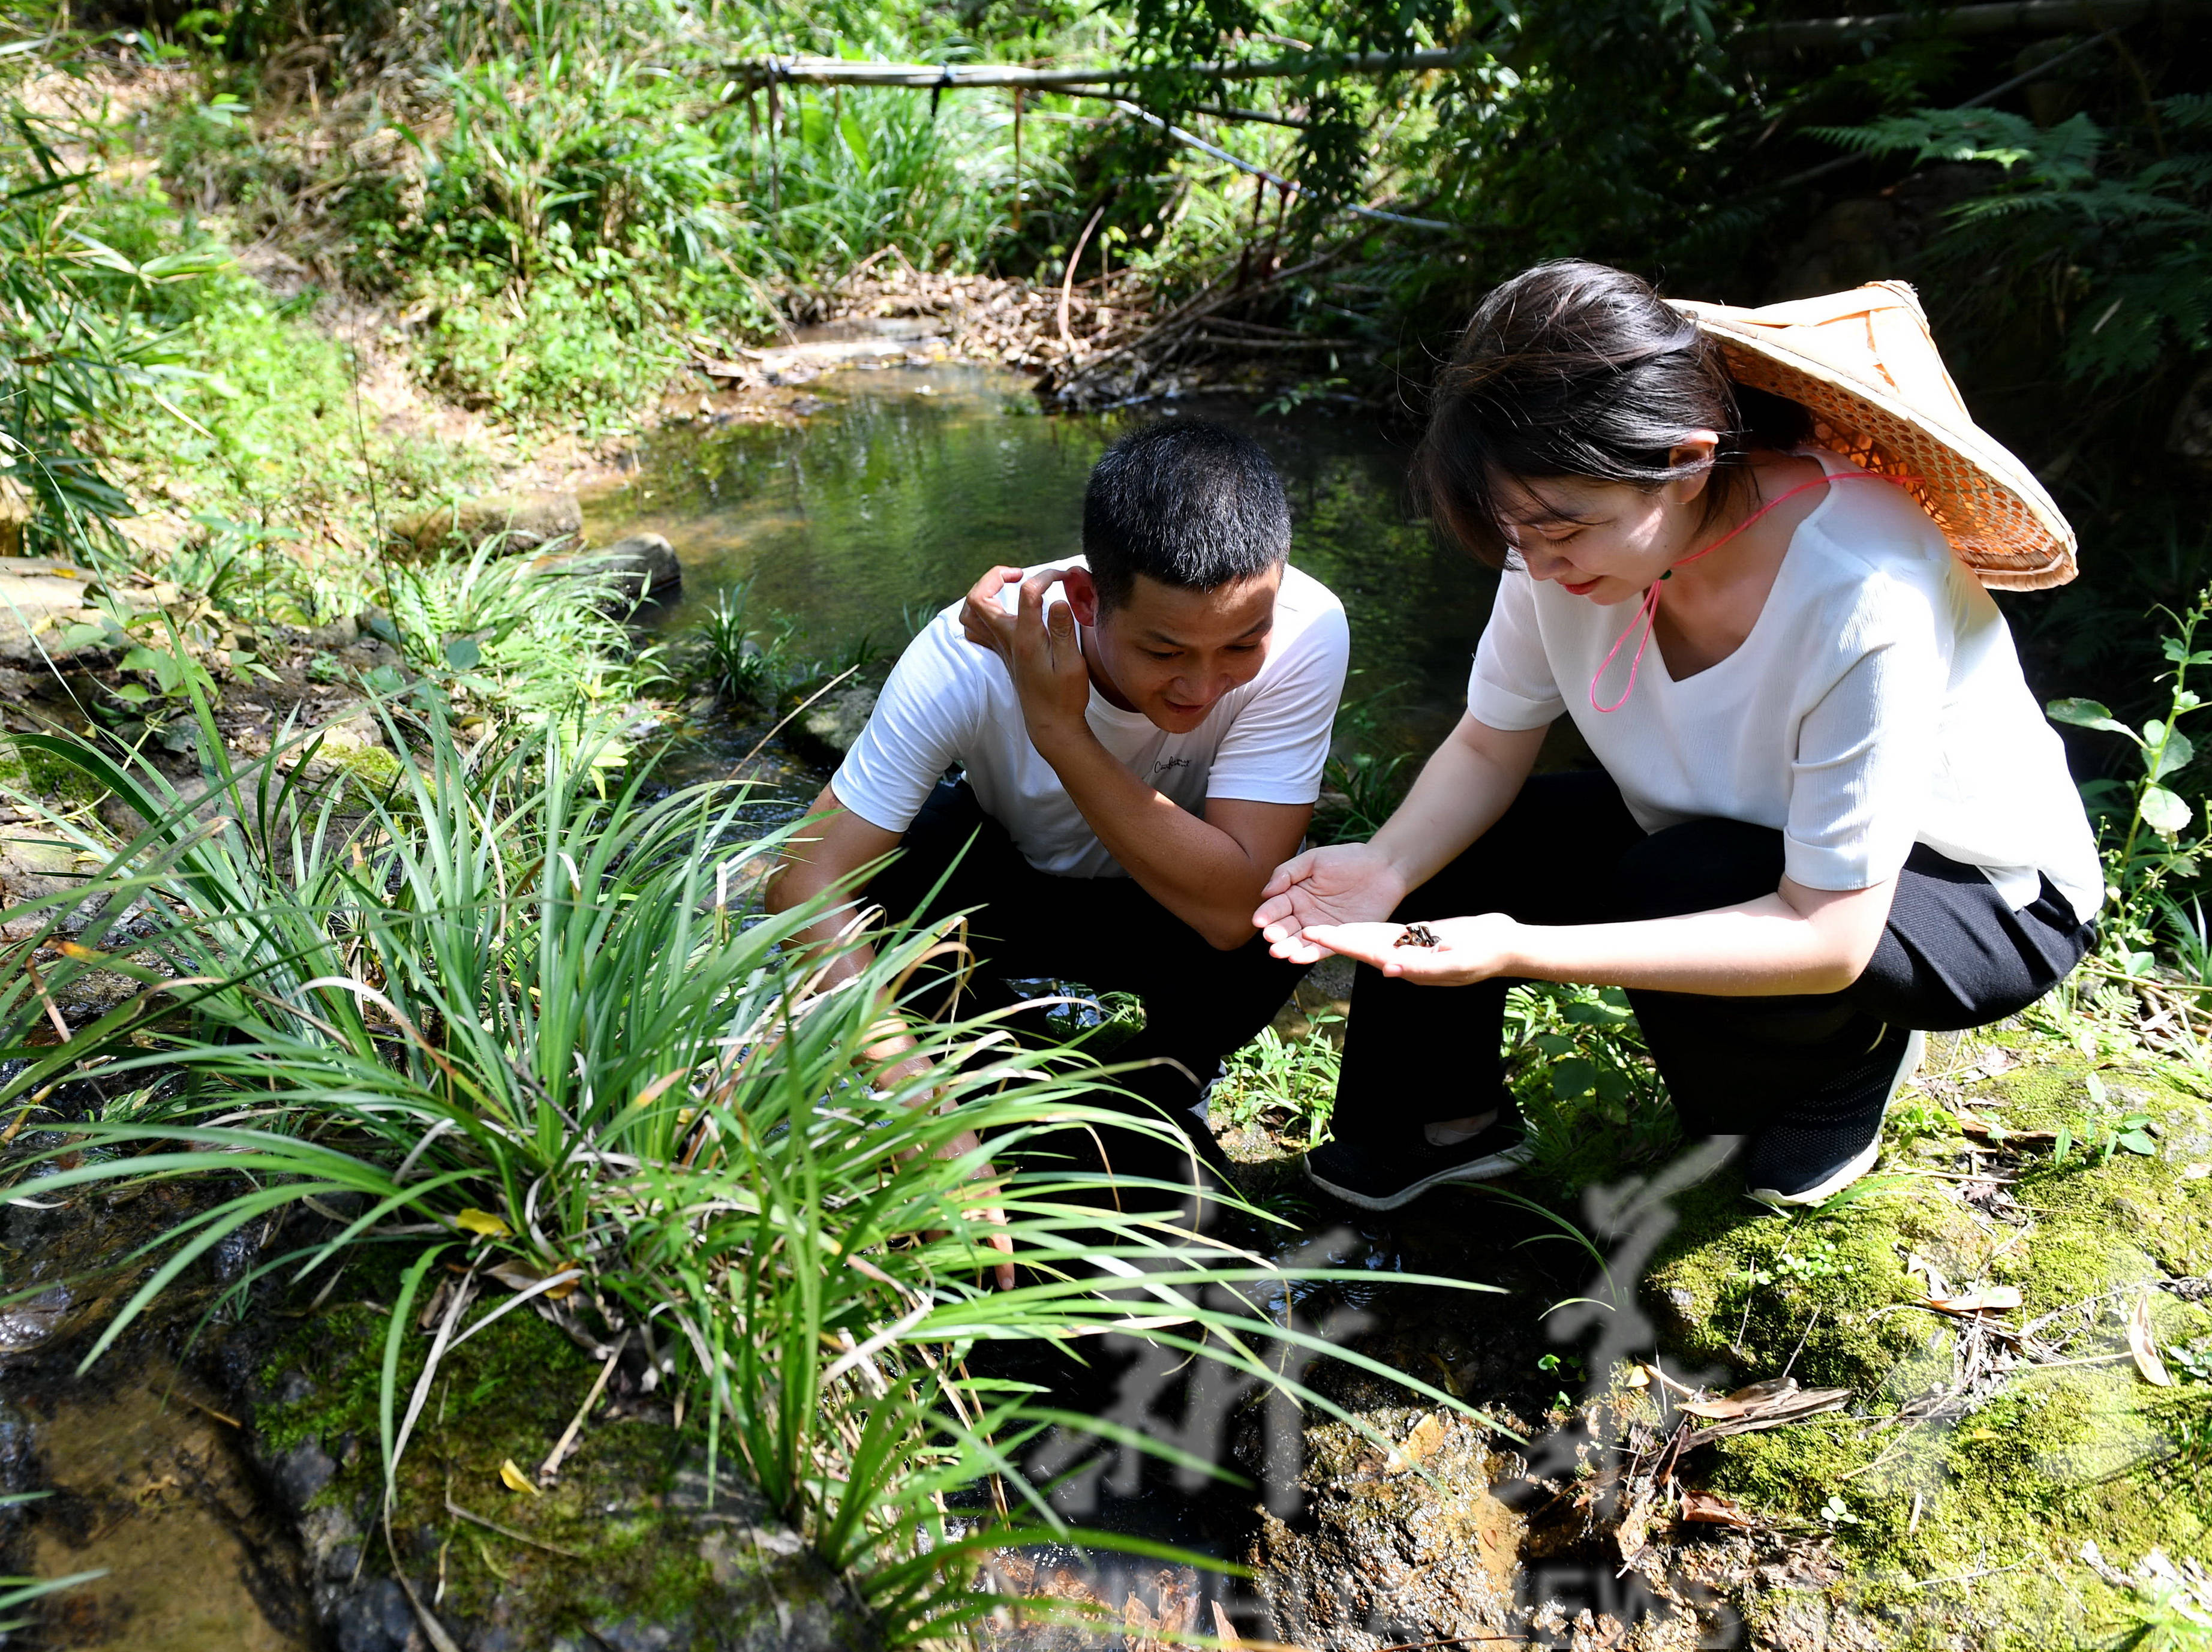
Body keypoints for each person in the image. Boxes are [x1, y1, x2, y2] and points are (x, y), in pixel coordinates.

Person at [1254, 262, 2102, 1213]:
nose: (1534, 562)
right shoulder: (1556, 544)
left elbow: (1828, 932)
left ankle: (1842, 1064)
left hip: (1962, 891)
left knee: (1680, 882)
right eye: (1511, 530)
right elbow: (1491, 745)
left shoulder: (1863, 586)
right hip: (1732, 827)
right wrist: (1383, 866)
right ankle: (1440, 1124)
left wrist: (1521, 947)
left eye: (1562, 528)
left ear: (1689, 460)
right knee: (1458, 842)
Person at [769, 418, 1350, 1213]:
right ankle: (968, 1055)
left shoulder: (1308, 629)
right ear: (1086, 596)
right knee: (902, 857)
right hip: (1008, 891)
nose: (1202, 687)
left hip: (1171, 907)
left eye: (1240, 648)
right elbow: (804, 878)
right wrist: (918, 1102)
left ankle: (1159, 1087)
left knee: (1291, 902)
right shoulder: (973, 647)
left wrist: (1060, 730)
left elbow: (1229, 911)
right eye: (1166, 651)